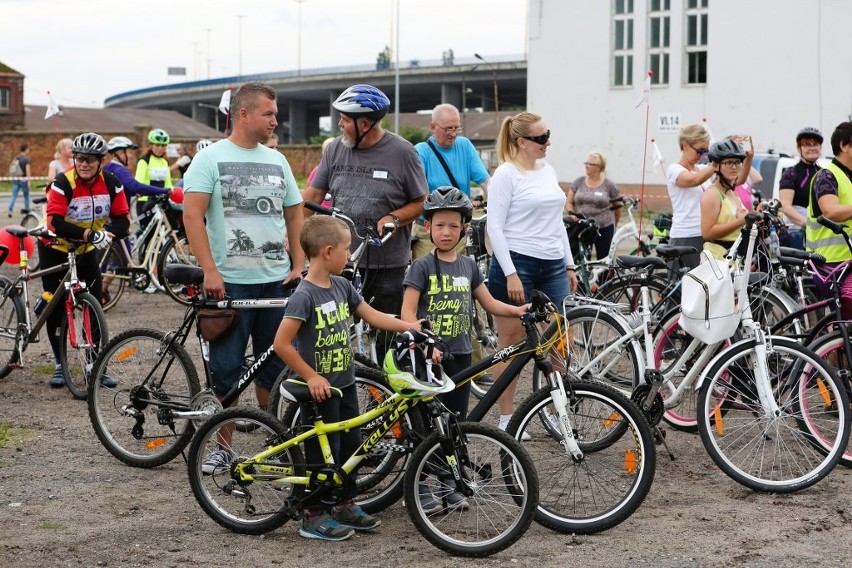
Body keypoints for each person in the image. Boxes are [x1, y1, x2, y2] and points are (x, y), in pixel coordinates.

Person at [274, 214, 423, 541]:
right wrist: (311, 376)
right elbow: (281, 344)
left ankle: (343, 504)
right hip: (320, 393)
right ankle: (313, 516)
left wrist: (409, 327)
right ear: (328, 252)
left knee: (352, 448)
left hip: (345, 386)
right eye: (346, 249)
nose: (349, 255)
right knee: (321, 455)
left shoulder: (342, 286)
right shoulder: (305, 295)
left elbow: (374, 316)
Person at [183, 82, 305, 471]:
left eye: (276, 112)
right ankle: (221, 446)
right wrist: (210, 270)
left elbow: (294, 213)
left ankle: (274, 439)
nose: (275, 120)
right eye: (269, 113)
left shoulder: (278, 160)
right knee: (227, 369)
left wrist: (299, 262)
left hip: (276, 281)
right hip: (230, 282)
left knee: (274, 365)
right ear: (244, 114)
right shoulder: (210, 159)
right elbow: (192, 216)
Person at [301, 84, 428, 361]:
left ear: (365, 124)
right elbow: (312, 196)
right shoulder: (335, 149)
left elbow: (421, 201)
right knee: (332, 334)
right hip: (339, 262)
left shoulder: (403, 152)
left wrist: (394, 217)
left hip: (387, 265)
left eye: (345, 120)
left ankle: (384, 392)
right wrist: (287, 229)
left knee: (386, 340)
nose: (340, 124)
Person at [401, 187, 525, 466]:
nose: (447, 232)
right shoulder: (420, 267)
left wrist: (518, 310)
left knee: (456, 422)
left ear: (465, 229)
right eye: (440, 225)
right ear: (427, 227)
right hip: (428, 358)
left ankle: (451, 480)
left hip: (461, 355)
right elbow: (407, 312)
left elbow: (490, 304)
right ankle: (423, 486)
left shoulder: (469, 266)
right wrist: (425, 341)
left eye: (454, 226)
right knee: (429, 425)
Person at [486, 112, 577, 431]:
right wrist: (510, 272)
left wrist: (569, 263)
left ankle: (559, 410)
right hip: (518, 262)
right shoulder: (505, 175)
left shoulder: (548, 169)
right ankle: (507, 418)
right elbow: (494, 227)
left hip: (552, 263)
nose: (547, 143)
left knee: (562, 340)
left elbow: (558, 222)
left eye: (548, 135)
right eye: (540, 139)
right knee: (511, 345)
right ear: (520, 142)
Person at [41, 132, 130, 388]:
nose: (84, 164)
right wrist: (89, 233)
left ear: (101, 161)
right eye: (79, 158)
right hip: (55, 246)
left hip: (84, 250)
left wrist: (108, 233)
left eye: (90, 159)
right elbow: (56, 222)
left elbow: (123, 219)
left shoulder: (111, 182)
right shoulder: (63, 182)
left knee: (94, 306)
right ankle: (60, 365)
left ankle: (94, 366)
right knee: (56, 306)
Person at [412, 103, 490, 259]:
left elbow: (487, 182)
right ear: (433, 127)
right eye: (449, 129)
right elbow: (418, 192)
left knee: (459, 278)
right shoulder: (422, 151)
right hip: (430, 231)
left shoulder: (465, 146)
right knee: (428, 277)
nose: (454, 134)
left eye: (457, 128)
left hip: (458, 229)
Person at [806, 121, 852, 317]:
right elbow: (831, 211)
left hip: (847, 261)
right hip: (830, 264)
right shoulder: (826, 176)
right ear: (844, 146)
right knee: (844, 323)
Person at [666, 124, 715, 271]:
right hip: (685, 236)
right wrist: (715, 164)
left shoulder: (701, 170)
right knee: (683, 290)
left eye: (706, 151)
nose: (703, 155)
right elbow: (693, 180)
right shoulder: (674, 170)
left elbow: (735, 181)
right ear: (685, 145)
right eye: (700, 150)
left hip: (704, 233)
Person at [566, 151, 622, 260]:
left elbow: (618, 207)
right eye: (586, 163)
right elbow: (569, 202)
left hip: (604, 227)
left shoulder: (609, 185)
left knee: (604, 260)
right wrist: (572, 213)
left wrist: (615, 223)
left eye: (590, 164)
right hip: (582, 227)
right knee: (581, 260)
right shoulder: (578, 182)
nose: (587, 166)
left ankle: (604, 278)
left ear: (599, 167)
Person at [700, 140, 749, 259]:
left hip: (734, 259)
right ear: (716, 166)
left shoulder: (732, 193)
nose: (734, 167)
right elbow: (707, 233)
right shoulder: (712, 194)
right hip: (717, 262)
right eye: (728, 163)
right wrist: (741, 221)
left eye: (737, 162)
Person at [781, 127, 825, 250]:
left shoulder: (825, 174)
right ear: (799, 148)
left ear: (820, 148)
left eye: (815, 144)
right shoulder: (790, 173)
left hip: (821, 234)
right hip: (797, 235)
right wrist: (807, 223)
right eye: (806, 145)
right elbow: (785, 206)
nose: (811, 148)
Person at [135, 128, 174, 223]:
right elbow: (138, 183)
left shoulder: (165, 162)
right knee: (148, 234)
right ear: (151, 145)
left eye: (163, 146)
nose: (160, 148)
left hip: (161, 202)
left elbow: (168, 183)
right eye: (157, 145)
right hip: (145, 202)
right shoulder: (144, 161)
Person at [726, 134, 763, 211]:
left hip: (746, 220)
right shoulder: (726, 174)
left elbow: (758, 179)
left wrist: (747, 158)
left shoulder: (744, 174)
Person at [9, 143, 32, 217]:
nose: (28, 150)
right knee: (26, 196)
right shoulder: (27, 159)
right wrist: (29, 181)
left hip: (16, 179)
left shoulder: (16, 157)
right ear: (25, 149)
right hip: (24, 179)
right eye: (28, 149)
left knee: (14, 196)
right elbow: (27, 170)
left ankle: (10, 210)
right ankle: (27, 211)